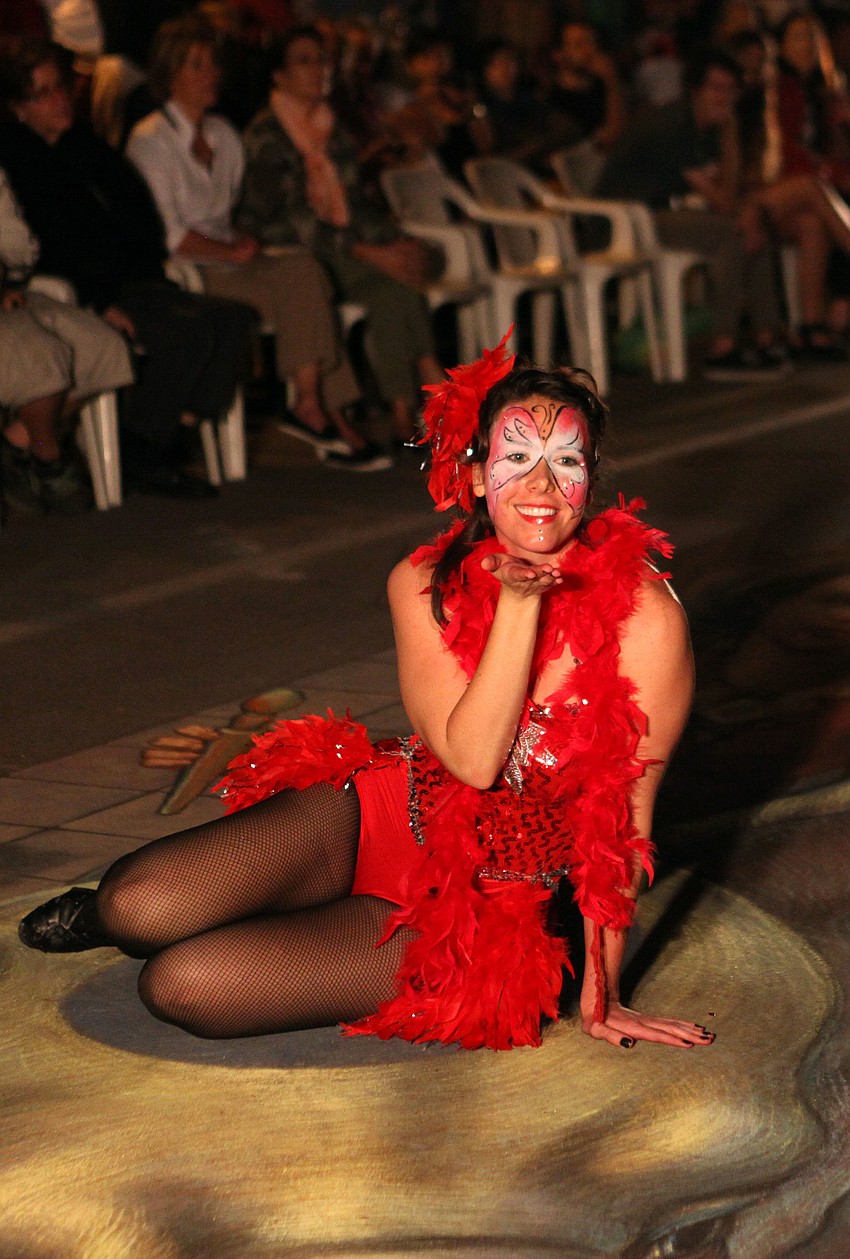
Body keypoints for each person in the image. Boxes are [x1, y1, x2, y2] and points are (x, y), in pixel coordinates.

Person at [18, 333, 715, 1054]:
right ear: (476, 476)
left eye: (565, 461)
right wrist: (512, 604)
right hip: (392, 816)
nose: (541, 486)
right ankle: (130, 914)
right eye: (517, 458)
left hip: (499, 906)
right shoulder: (422, 584)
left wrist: (604, 991)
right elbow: (470, 757)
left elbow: (623, 826)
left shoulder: (646, 618)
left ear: (590, 479)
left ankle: (295, 925)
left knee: (182, 984)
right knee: (138, 903)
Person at [127, 15, 386, 471]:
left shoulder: (224, 136)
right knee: (304, 280)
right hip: (184, 270)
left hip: (229, 260)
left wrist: (242, 245)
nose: (211, 75)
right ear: (170, 74)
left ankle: (312, 403)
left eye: (213, 65)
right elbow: (167, 234)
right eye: (197, 66)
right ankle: (326, 412)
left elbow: (232, 216)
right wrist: (230, 252)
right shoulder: (152, 141)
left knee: (306, 272)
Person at [0, 38, 257, 499]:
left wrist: (146, 267)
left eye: (62, 88)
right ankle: (145, 447)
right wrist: (102, 300)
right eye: (44, 93)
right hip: (85, 289)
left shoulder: (87, 148)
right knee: (187, 332)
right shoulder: (20, 162)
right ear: (19, 107)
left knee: (232, 320)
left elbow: (138, 219)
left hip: (138, 277)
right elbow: (49, 251)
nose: (61, 100)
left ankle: (165, 430)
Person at [237, 24, 444, 448]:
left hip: (339, 247)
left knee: (398, 287)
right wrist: (371, 252)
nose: (318, 70)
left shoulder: (332, 129)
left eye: (321, 60)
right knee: (389, 273)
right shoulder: (266, 135)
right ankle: (434, 388)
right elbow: (292, 221)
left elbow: (354, 206)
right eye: (304, 61)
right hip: (290, 254)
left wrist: (396, 241)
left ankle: (406, 408)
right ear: (278, 75)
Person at [0, 165, 133, 515]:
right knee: (41, 357)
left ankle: (13, 444)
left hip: (9, 291)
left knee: (104, 347)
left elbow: (18, 244)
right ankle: (48, 458)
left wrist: (8, 274)